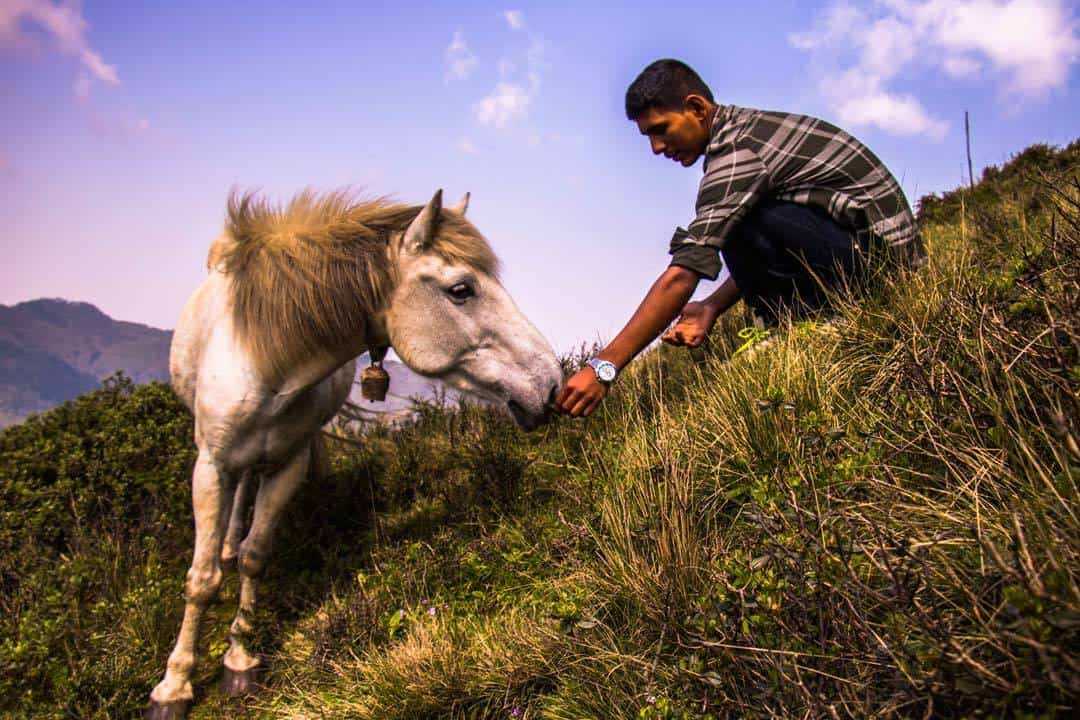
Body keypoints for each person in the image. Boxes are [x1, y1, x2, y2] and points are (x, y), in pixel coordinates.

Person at [555, 58, 925, 419]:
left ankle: (817, 327)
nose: (656, 147)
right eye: (648, 136)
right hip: (868, 260)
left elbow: (683, 274)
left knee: (726, 224)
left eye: (661, 129)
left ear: (697, 108)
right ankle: (801, 324)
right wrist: (712, 306)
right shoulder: (743, 137)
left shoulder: (738, 153)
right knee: (731, 221)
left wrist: (605, 367)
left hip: (886, 278)